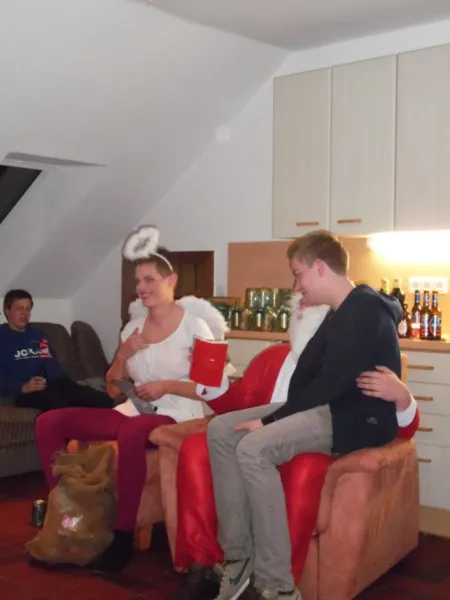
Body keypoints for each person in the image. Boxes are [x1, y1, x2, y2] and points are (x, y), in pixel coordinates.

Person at [170, 295, 419, 600]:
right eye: (298, 302)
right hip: (261, 437)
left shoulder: (353, 359)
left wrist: (402, 396)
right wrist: (213, 375)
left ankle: (277, 583)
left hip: (312, 445)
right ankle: (208, 561)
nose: (302, 301)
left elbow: (399, 428)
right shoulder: (273, 358)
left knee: (301, 466)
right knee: (197, 448)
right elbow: (238, 404)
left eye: (310, 298)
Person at [206, 230, 407, 600]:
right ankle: (239, 556)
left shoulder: (364, 310)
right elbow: (307, 372)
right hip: (330, 405)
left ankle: (277, 585)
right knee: (221, 429)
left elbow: (335, 381)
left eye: (298, 275)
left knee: (252, 448)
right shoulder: (339, 311)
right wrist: (281, 411)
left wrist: (271, 422)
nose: (296, 286)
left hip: (357, 417)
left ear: (319, 268)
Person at [33, 226, 231, 573]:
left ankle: (122, 537)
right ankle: (62, 512)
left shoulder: (196, 327)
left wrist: (166, 385)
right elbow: (112, 389)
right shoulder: (132, 328)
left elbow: (211, 389)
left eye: (150, 279)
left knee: (133, 431)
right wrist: (123, 355)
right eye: (139, 281)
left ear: (171, 280)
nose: (142, 288)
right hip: (132, 410)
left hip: (178, 414)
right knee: (49, 422)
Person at [0, 289, 113, 410]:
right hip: (27, 391)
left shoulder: (38, 335)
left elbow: (51, 365)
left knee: (102, 400)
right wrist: (22, 387)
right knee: (56, 405)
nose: (25, 313)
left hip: (55, 383)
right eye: (19, 309)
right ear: (7, 310)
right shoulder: (3, 338)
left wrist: (69, 384)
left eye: (28, 309)